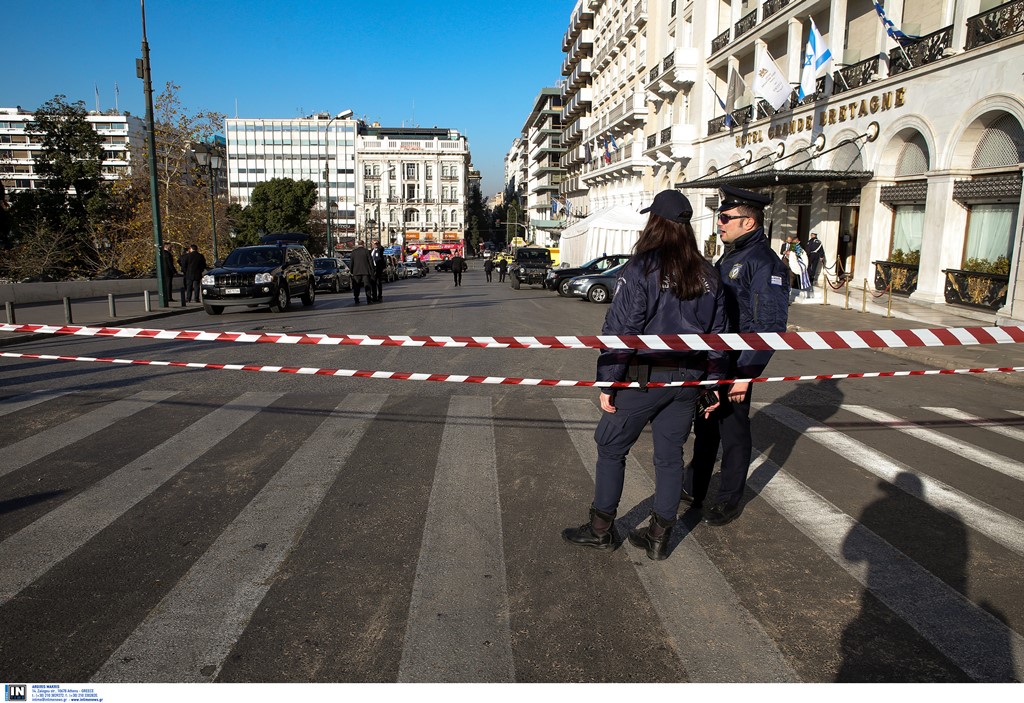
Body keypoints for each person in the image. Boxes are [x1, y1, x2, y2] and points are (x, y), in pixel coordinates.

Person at [562, 190, 728, 561]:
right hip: (689, 379)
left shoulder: (641, 268)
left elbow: (622, 329)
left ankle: (601, 529)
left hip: (643, 377)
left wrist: (608, 381)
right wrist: (714, 385)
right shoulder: (708, 273)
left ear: (655, 222)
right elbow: (722, 336)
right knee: (669, 457)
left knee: (610, 447)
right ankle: (658, 536)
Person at [684, 185, 790, 526]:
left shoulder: (763, 262)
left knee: (733, 434)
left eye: (726, 217)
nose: (720, 222)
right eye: (720, 216)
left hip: (736, 364)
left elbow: (769, 325)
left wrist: (746, 374)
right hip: (715, 362)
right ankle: (696, 488)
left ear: (749, 222)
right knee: (705, 427)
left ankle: (728, 499)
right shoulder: (731, 255)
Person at [349, 239, 375, 305]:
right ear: (363, 244)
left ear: (358, 244)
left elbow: (351, 262)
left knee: (356, 286)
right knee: (367, 285)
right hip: (366, 271)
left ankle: (356, 298)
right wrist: (372, 270)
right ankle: (368, 299)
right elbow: (370, 262)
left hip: (356, 271)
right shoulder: (366, 251)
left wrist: (351, 270)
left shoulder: (354, 252)